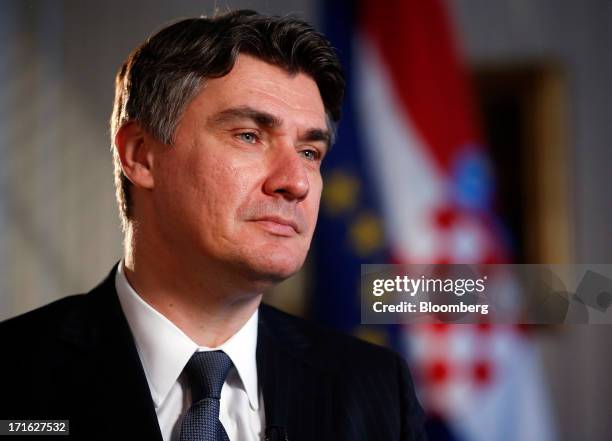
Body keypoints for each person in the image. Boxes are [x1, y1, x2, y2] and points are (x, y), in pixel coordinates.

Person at [0, 10, 426, 441]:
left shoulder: (375, 390)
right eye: (248, 136)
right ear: (141, 154)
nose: (295, 182)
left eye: (309, 152)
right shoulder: (13, 376)